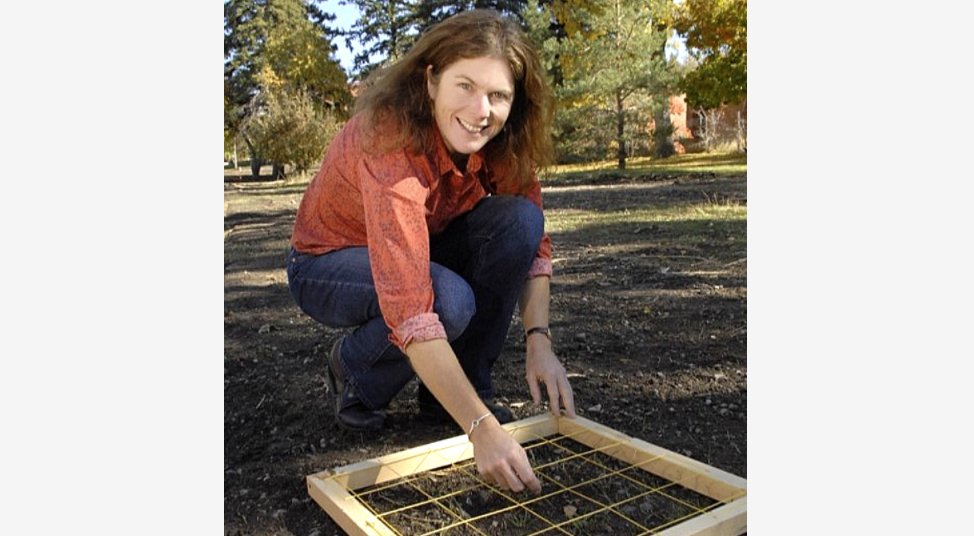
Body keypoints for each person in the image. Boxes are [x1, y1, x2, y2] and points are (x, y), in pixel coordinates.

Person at [286, 9, 575, 494]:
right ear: (431, 80)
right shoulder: (389, 138)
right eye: (465, 85)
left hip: (413, 243)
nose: (481, 110)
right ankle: (352, 370)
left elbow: (534, 244)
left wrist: (538, 341)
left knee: (519, 222)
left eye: (498, 95)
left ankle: (453, 398)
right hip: (324, 262)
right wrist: (482, 429)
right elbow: (410, 306)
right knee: (447, 300)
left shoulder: (498, 140)